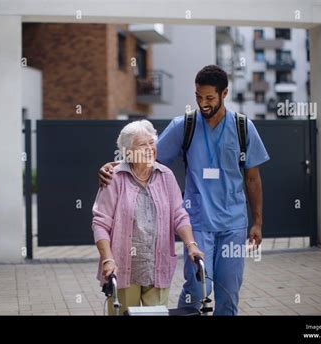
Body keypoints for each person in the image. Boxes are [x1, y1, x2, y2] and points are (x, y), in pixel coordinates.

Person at [98, 65, 270, 315]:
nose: (203, 103)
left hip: (233, 223)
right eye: (198, 97)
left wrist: (257, 222)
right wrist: (113, 166)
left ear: (224, 94)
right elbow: (146, 155)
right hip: (198, 220)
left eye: (209, 98)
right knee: (199, 288)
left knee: (229, 292)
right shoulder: (185, 125)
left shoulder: (244, 128)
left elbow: (253, 179)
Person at [92, 120, 204, 315]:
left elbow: (179, 213)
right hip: (123, 266)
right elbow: (100, 223)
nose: (150, 148)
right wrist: (107, 259)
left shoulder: (166, 176)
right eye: (142, 144)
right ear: (128, 152)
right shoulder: (114, 178)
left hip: (157, 266)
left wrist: (191, 244)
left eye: (152, 142)